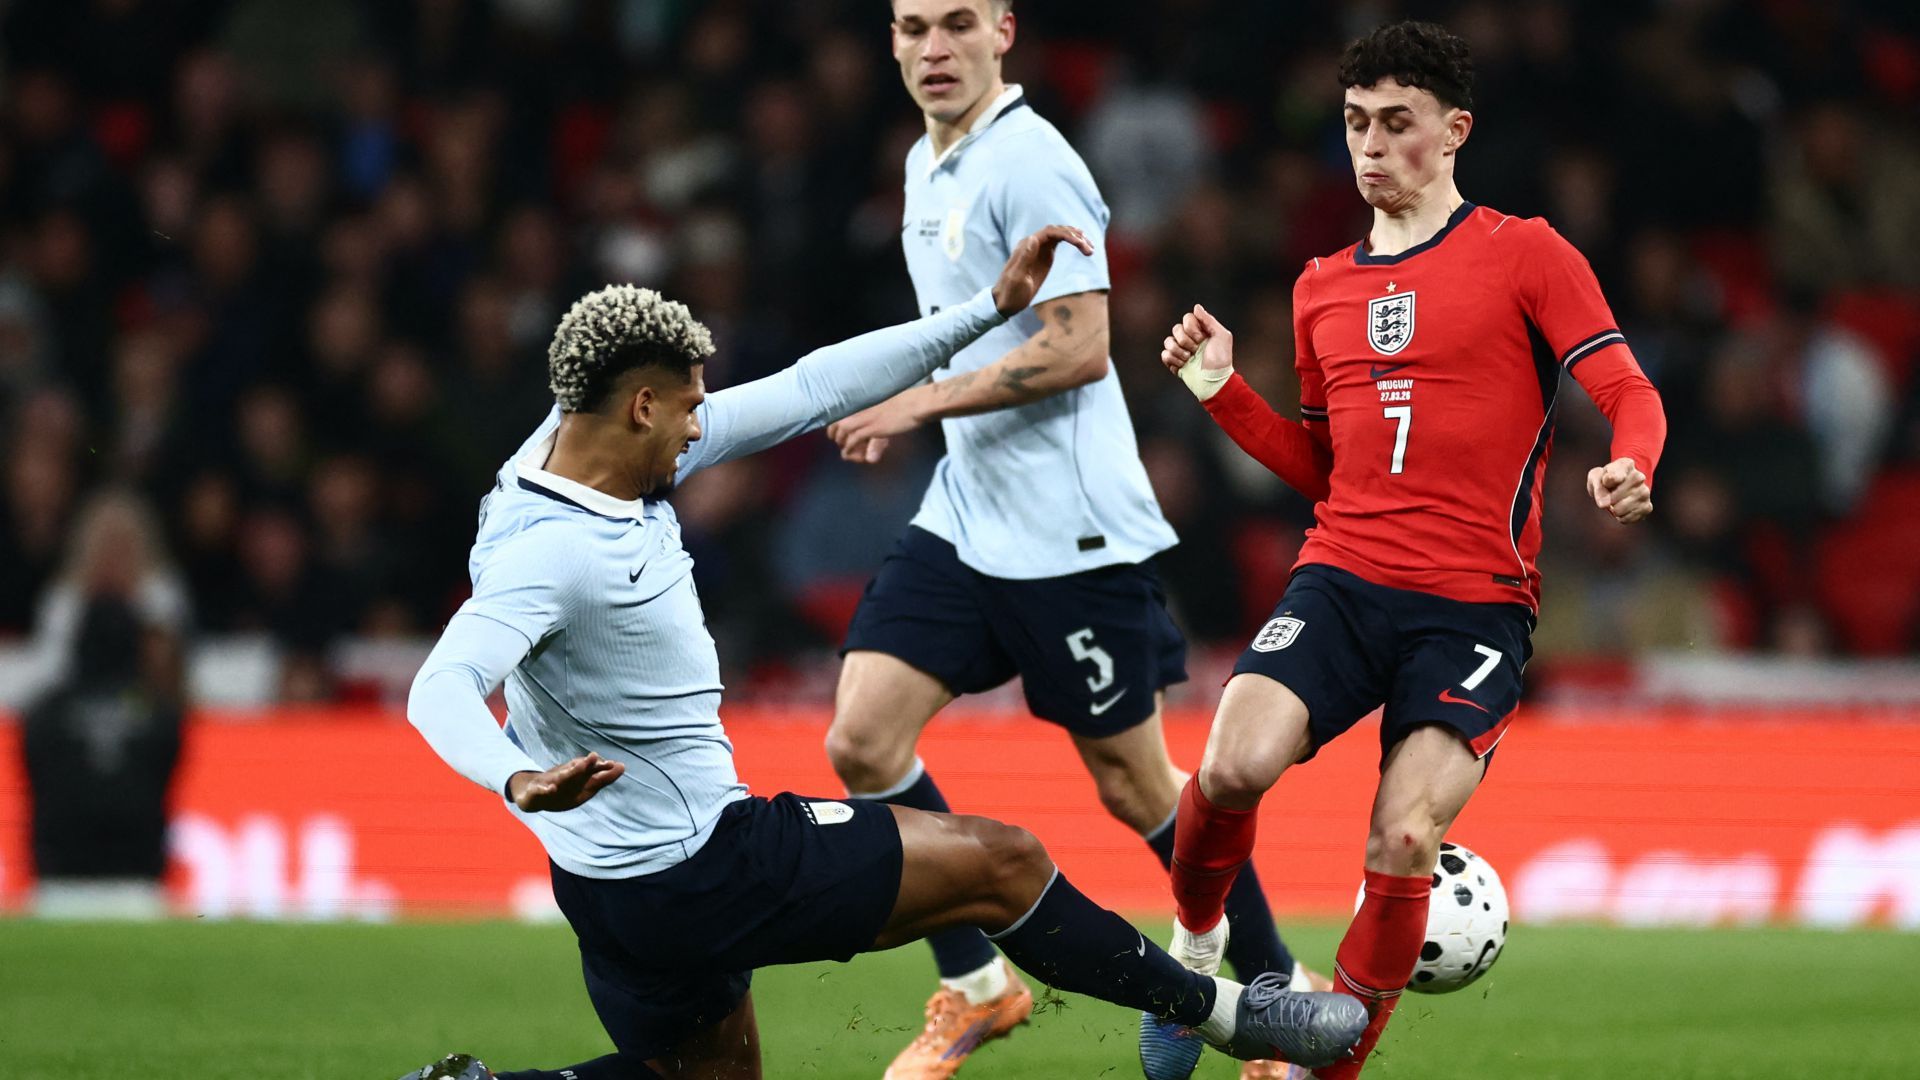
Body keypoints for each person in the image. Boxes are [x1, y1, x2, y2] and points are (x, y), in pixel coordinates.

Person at [395, 225, 1367, 1080]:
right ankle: (1236, 1020)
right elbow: (441, 685)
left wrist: (986, 311)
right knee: (1002, 861)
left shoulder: (561, 455)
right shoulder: (557, 553)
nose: (706, 424)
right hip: (701, 867)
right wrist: (516, 778)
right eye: (690, 407)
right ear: (640, 408)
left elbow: (813, 387)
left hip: (608, 889)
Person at [1142, 21, 1668, 1080]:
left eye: (1397, 124)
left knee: (1403, 840)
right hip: (1340, 578)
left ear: (1454, 130)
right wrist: (1223, 395)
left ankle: (1318, 1065)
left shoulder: (1525, 252)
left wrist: (1634, 461)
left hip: (1473, 607)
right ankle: (1195, 960)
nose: (1372, 147)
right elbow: (1332, 472)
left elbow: (1626, 387)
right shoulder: (1319, 286)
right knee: (1231, 765)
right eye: (1354, 125)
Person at [821, 5, 1310, 1075]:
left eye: (957, 24)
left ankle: (1272, 987)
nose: (933, 49)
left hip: (1071, 534)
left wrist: (917, 403)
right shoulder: (923, 163)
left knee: (1139, 789)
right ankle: (978, 983)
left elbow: (1082, 347)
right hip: (967, 514)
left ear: (1004, 31)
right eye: (912, 28)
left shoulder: (1032, 160)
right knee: (861, 739)